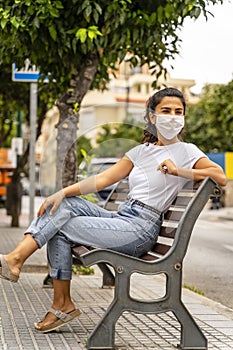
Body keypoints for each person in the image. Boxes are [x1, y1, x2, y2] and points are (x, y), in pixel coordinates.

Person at [0, 87, 227, 333]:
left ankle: (35, 278)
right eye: (166, 111)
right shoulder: (142, 151)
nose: (173, 116)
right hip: (124, 217)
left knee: (60, 227)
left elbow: (219, 176)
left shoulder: (186, 151)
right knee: (62, 205)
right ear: (152, 116)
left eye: (178, 112)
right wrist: (62, 192)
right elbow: (103, 179)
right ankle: (31, 274)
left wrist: (178, 171)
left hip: (141, 229)